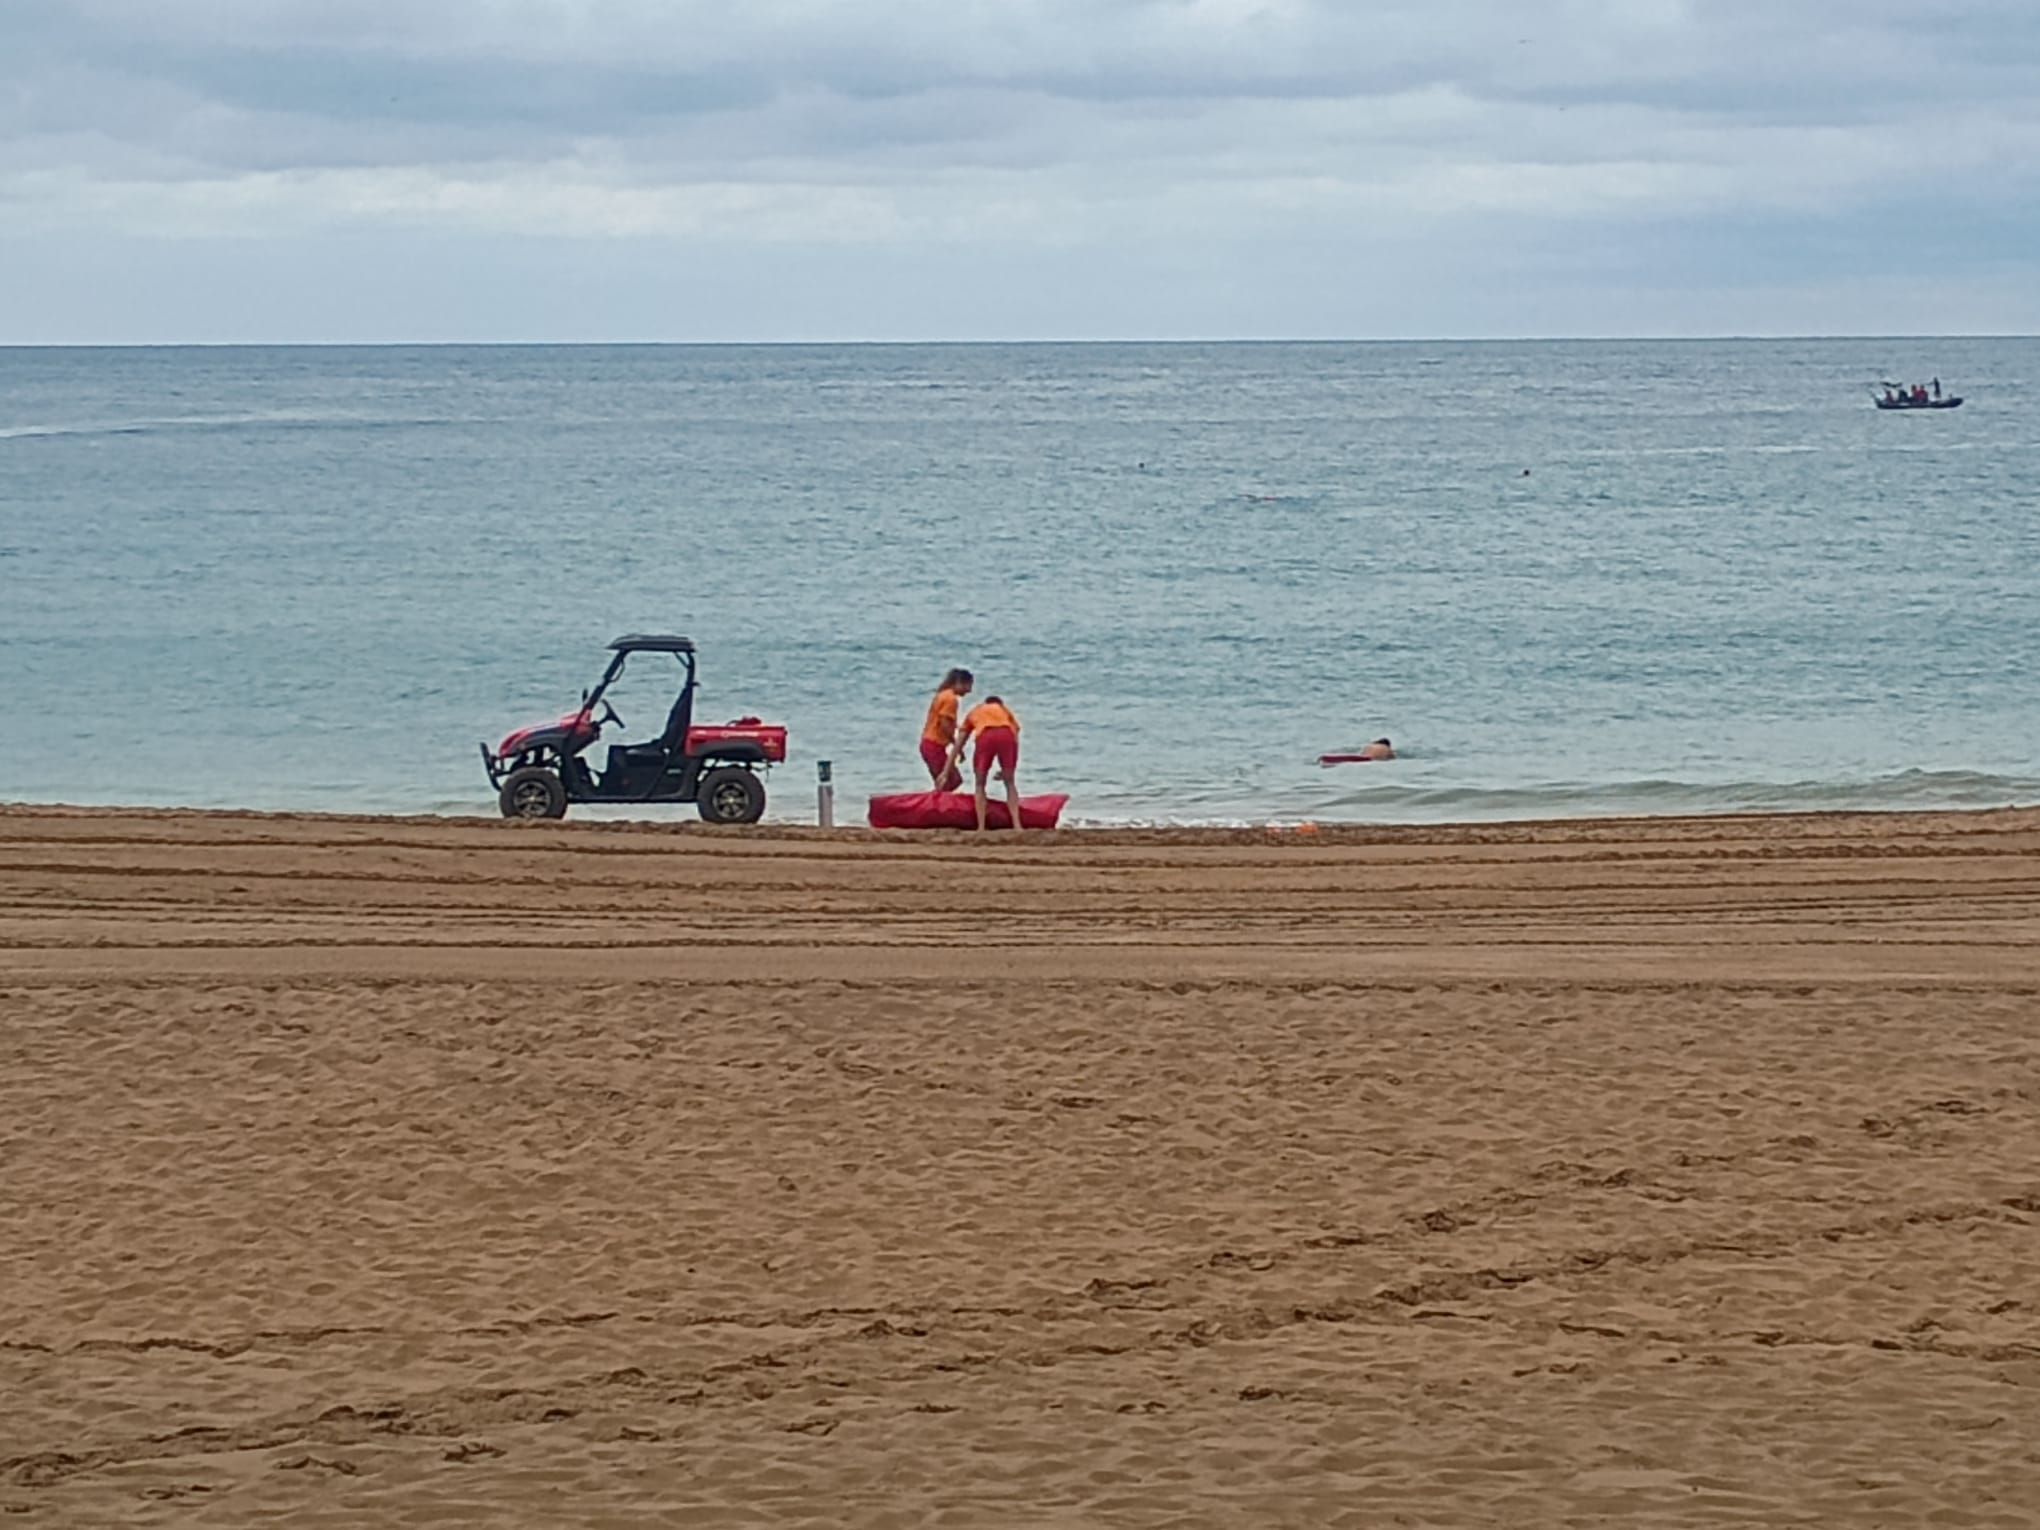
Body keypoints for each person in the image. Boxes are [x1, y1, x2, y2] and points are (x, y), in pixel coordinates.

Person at [959, 693, 1024, 834]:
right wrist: (1009, 769)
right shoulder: (1005, 710)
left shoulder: (976, 710)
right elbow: (1015, 734)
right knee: (1010, 783)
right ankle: (1017, 825)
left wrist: (949, 765)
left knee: (980, 783)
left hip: (986, 735)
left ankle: (981, 827)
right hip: (1006, 735)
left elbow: (962, 737)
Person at [920, 668, 971, 791]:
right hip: (934, 745)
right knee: (949, 781)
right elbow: (944, 724)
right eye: (968, 685)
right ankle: (934, 805)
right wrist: (956, 745)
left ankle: (938, 803)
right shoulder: (950, 699)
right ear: (959, 683)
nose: (969, 690)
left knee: (951, 781)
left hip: (929, 743)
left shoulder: (942, 695)